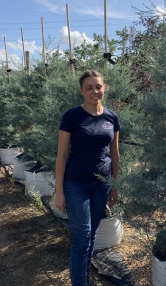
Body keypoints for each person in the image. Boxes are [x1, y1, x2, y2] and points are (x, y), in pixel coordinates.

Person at [55, 70, 120, 286]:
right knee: (82, 238)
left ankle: (83, 276)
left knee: (91, 235)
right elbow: (62, 154)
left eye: (98, 86)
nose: (95, 91)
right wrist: (59, 191)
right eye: (89, 87)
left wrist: (114, 185)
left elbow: (115, 153)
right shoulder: (72, 117)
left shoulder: (112, 118)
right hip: (76, 184)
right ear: (82, 91)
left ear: (104, 88)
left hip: (102, 184)